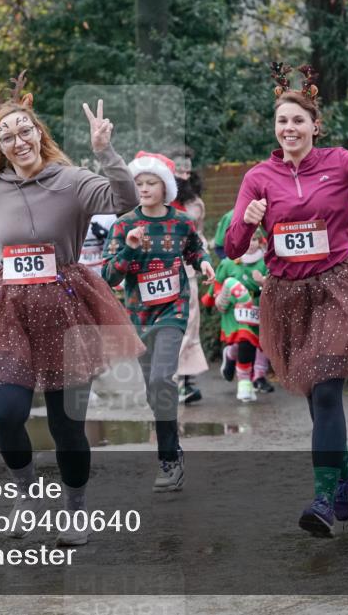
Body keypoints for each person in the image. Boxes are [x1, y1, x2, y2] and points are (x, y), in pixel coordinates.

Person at [223, 63, 348, 538]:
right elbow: (231, 248)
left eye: (298, 120)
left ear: (315, 126)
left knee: (328, 390)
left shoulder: (340, 162)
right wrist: (246, 221)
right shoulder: (258, 177)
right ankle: (345, 470)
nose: (289, 128)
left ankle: (323, 499)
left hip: (339, 288)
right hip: (288, 297)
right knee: (317, 396)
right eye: (282, 121)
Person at [0, 73, 143, 546]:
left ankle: (75, 510)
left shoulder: (73, 181)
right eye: (7, 136)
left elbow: (125, 200)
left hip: (65, 307)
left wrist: (105, 151)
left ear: (39, 133)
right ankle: (24, 494)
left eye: (25, 130)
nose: (18, 141)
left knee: (67, 426)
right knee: (4, 412)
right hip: (9, 309)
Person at [102, 151, 215, 491]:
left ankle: (168, 461)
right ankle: (173, 448)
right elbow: (109, 276)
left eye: (152, 183)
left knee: (163, 379)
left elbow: (194, 249)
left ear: (165, 187)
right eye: (139, 183)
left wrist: (204, 263)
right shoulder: (124, 225)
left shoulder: (181, 222)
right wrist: (129, 248)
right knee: (155, 391)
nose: (145, 188)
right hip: (139, 315)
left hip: (172, 311)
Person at [201, 228, 274, 402]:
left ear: (260, 241)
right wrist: (210, 301)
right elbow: (217, 284)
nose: (251, 244)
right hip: (234, 309)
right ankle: (244, 382)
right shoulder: (228, 263)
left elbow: (276, 285)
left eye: (254, 240)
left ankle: (232, 356)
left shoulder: (266, 261)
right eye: (247, 240)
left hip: (258, 307)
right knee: (244, 338)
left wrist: (263, 281)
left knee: (254, 343)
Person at [168, 146, 209, 404]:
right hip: (162, 272)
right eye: (178, 167)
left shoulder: (194, 203)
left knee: (190, 324)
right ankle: (171, 381)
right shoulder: (158, 201)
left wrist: (204, 262)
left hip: (187, 270)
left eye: (187, 167)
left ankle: (184, 381)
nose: (184, 171)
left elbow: (198, 236)